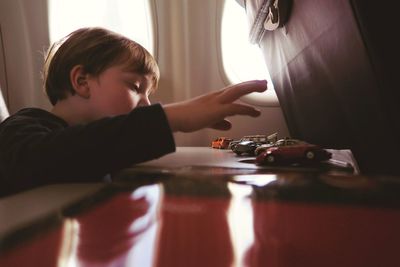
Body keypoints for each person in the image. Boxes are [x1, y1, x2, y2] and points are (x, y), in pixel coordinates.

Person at [0, 27, 267, 196]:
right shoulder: (23, 126)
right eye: (135, 86)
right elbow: (44, 158)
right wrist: (175, 117)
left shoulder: (95, 143)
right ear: (81, 81)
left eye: (148, 94)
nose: (147, 104)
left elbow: (96, 148)